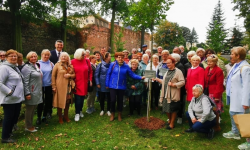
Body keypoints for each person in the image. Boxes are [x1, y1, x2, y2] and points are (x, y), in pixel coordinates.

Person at [106, 52, 145, 121]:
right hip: (112, 86)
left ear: (124, 58)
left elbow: (132, 75)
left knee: (120, 101)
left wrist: (141, 77)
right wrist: (107, 84)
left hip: (122, 86)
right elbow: (108, 74)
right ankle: (112, 114)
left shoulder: (126, 66)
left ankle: (119, 114)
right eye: (119, 57)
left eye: (121, 57)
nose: (120, 58)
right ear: (116, 58)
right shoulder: (113, 64)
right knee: (112, 100)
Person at [223, 47, 250, 144]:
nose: (230, 55)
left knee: (244, 119)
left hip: (240, 99)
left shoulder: (245, 68)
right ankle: (235, 133)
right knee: (232, 114)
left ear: (238, 56)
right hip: (234, 96)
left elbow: (247, 86)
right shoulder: (235, 65)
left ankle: (248, 142)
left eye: (232, 54)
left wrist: (246, 102)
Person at [0, 49, 24, 143]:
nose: (14, 58)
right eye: (11, 56)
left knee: (14, 116)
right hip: (9, 98)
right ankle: (5, 137)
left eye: (15, 56)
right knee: (8, 117)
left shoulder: (14, 67)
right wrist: (9, 92)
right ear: (6, 57)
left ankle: (9, 133)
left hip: (17, 98)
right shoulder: (4, 68)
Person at [156, 56, 185, 130]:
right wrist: (158, 79)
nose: (168, 64)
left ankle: (172, 124)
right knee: (166, 108)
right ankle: (170, 121)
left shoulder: (178, 71)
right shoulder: (167, 71)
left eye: (169, 63)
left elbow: (182, 82)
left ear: (173, 63)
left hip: (173, 94)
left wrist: (174, 85)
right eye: (167, 63)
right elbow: (165, 82)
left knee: (173, 108)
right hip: (165, 93)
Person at [21, 51, 43, 132]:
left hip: (37, 91)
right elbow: (25, 81)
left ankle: (31, 125)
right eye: (32, 57)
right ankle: (28, 126)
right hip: (31, 92)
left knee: (33, 108)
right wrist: (27, 93)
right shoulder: (26, 67)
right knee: (29, 109)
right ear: (28, 58)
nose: (34, 58)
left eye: (35, 56)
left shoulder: (36, 65)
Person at [52, 52, 75, 124]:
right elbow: (53, 76)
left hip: (68, 86)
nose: (63, 57)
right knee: (60, 101)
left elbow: (74, 75)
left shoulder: (70, 66)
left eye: (65, 56)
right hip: (60, 86)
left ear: (68, 58)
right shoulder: (57, 65)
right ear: (60, 57)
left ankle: (66, 116)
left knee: (67, 101)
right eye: (62, 56)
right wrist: (54, 86)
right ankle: (60, 117)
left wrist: (69, 76)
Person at [71, 48, 92, 122]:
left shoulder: (87, 61)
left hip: (85, 82)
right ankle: (77, 113)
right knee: (77, 98)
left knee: (82, 98)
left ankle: (80, 111)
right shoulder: (72, 62)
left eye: (84, 54)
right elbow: (71, 72)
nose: (84, 56)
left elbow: (90, 71)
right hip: (77, 82)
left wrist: (90, 80)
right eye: (83, 55)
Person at [204, 54, 224, 132]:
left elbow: (219, 84)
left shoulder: (218, 70)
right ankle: (210, 124)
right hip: (207, 91)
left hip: (214, 92)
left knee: (215, 110)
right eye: (208, 61)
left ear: (215, 62)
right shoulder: (207, 69)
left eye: (211, 62)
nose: (209, 63)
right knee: (208, 109)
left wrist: (216, 96)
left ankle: (217, 125)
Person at [37, 49, 54, 125]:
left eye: (48, 55)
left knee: (47, 102)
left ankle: (44, 116)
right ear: (41, 55)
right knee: (40, 102)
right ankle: (38, 117)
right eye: (45, 55)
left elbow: (53, 75)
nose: (46, 56)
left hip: (48, 85)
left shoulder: (51, 64)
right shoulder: (37, 63)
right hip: (39, 86)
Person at [95, 52, 111, 116]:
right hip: (102, 84)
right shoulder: (100, 65)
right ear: (106, 57)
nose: (110, 57)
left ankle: (108, 110)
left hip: (109, 83)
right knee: (102, 97)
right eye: (109, 56)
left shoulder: (111, 65)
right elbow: (96, 75)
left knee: (109, 97)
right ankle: (102, 109)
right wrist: (98, 83)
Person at [171, 53, 186, 124]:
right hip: (173, 87)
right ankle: (174, 116)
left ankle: (180, 117)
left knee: (179, 103)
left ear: (175, 59)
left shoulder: (180, 66)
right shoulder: (174, 65)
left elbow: (181, 79)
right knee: (173, 102)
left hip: (178, 88)